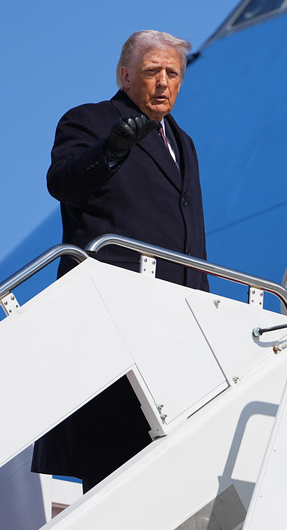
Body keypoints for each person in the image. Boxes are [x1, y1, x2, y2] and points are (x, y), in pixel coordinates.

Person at [32, 30, 208, 491]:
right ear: (125, 75)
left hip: (176, 320)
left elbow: (188, 236)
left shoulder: (183, 143)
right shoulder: (89, 121)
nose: (164, 82)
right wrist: (109, 150)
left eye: (173, 73)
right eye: (153, 72)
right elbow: (63, 182)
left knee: (170, 458)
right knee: (114, 454)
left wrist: (204, 312)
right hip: (113, 313)